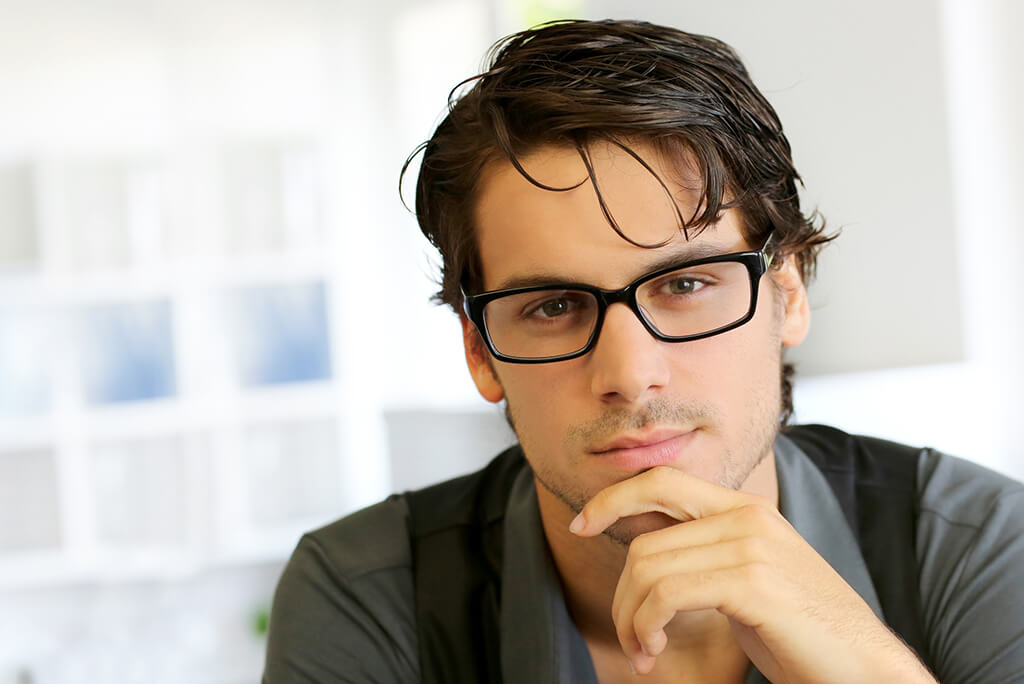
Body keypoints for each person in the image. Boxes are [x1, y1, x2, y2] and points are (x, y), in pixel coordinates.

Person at [262, 19, 1024, 684]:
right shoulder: (369, 591)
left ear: (787, 295)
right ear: (480, 352)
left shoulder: (981, 548)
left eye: (686, 284)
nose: (629, 375)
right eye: (554, 307)